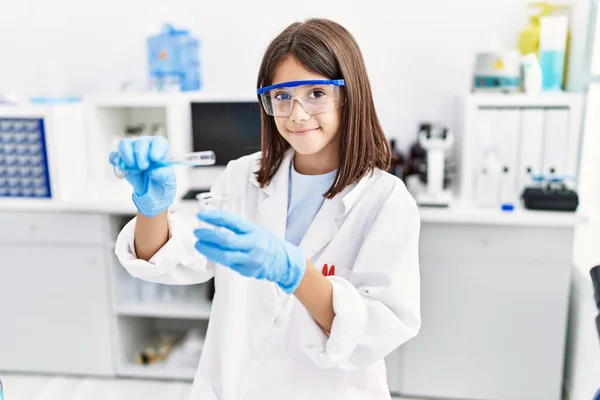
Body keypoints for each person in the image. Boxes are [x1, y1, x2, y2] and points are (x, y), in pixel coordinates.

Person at [111, 17, 421, 400]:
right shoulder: (244, 176)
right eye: (282, 96)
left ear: (350, 94)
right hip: (235, 387)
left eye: (317, 94)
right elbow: (174, 258)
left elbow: (376, 329)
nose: (297, 114)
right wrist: (151, 209)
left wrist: (296, 273)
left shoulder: (385, 200)